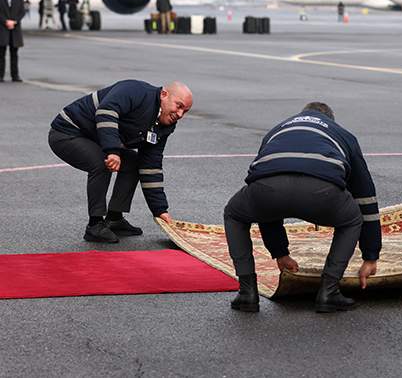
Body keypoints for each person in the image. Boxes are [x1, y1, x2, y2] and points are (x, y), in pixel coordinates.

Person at [224, 102, 380, 313]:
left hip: (267, 190)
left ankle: (247, 293)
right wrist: (370, 255)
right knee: (352, 219)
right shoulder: (342, 134)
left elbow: (265, 200)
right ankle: (329, 292)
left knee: (234, 213)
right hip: (321, 192)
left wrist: (280, 253)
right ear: (330, 119)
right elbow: (365, 196)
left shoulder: (277, 129)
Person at [48, 80, 193, 243]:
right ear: (164, 95)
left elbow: (150, 166)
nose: (180, 114)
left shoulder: (164, 125)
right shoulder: (135, 91)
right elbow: (106, 112)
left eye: (185, 111)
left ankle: (114, 218)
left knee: (134, 164)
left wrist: (160, 210)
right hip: (67, 132)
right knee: (102, 162)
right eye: (179, 106)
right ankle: (94, 225)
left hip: (95, 138)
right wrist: (112, 151)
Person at [0, 0, 25, 82]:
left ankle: (15, 75)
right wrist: (5, 21)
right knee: (1, 54)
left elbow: (22, 11)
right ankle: (0, 76)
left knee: (14, 54)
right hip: (2, 28)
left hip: (15, 29)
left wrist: (14, 21)